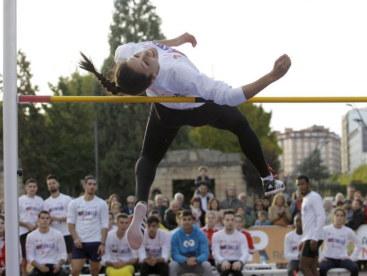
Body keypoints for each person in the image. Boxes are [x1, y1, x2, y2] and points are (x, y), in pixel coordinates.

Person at [79, 33, 290, 249]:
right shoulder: (181, 74)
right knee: (241, 125)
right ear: (152, 79)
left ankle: (141, 201)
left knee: (149, 156)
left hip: (166, 113)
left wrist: (177, 42)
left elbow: (147, 47)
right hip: (200, 110)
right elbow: (231, 96)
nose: (145, 53)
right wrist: (271, 76)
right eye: (145, 61)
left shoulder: (126, 53)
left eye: (138, 55)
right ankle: (268, 179)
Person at [67, 175, 109, 276]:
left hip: (95, 242)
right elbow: (70, 223)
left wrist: (102, 244)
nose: (92, 186)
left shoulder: (102, 204)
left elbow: (105, 225)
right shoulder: (74, 203)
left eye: (94, 184)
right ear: (84, 186)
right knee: (75, 271)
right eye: (89, 184)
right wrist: (75, 238)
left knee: (94, 271)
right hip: (80, 243)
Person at [169, 210, 212, 276]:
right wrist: (185, 260)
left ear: (193, 221)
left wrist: (196, 259)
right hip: (182, 264)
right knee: (172, 265)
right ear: (180, 221)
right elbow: (174, 254)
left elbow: (205, 253)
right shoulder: (175, 236)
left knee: (207, 265)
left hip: (197, 264)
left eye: (189, 219)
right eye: (184, 219)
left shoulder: (201, 234)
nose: (187, 222)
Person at [319, 208, 361, 276]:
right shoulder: (325, 229)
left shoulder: (348, 231)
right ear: (333, 216)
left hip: (343, 259)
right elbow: (317, 243)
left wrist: (352, 258)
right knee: (322, 268)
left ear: (344, 218)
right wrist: (320, 257)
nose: (339, 218)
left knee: (355, 268)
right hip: (328, 259)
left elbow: (359, 244)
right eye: (337, 215)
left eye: (341, 216)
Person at [297, 175, 325, 276]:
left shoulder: (314, 196)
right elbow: (308, 222)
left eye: (302, 184)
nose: (300, 187)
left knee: (303, 267)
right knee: (312, 267)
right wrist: (303, 239)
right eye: (298, 185)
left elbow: (321, 217)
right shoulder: (305, 199)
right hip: (309, 237)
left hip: (313, 237)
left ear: (308, 184)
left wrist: (315, 238)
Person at [26, 211, 68, 276]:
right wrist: (38, 266)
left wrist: (59, 265)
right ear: (38, 220)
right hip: (39, 266)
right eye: (42, 218)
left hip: (54, 265)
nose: (45, 220)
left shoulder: (58, 234)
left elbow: (63, 254)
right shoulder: (31, 236)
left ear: (50, 220)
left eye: (47, 218)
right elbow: (29, 256)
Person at [43, 174, 73, 263]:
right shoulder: (46, 202)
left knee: (70, 257)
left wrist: (56, 219)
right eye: (49, 184)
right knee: (55, 258)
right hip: (53, 234)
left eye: (53, 183)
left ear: (58, 184)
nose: (52, 185)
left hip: (67, 232)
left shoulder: (67, 199)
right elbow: (44, 218)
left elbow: (72, 217)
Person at [212, 210, 249, 276]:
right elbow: (215, 253)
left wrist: (240, 262)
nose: (230, 222)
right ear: (223, 221)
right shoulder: (216, 235)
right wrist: (222, 261)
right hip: (221, 261)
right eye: (227, 220)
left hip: (236, 260)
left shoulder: (241, 236)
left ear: (234, 221)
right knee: (226, 269)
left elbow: (245, 252)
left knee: (237, 271)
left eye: (232, 220)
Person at [19, 179, 44, 276]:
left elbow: (44, 215)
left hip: (38, 231)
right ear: (26, 187)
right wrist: (26, 225)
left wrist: (38, 224)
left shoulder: (40, 200)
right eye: (30, 186)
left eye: (34, 187)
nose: (32, 188)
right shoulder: (20, 200)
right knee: (25, 258)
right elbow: (14, 218)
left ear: (37, 188)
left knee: (38, 257)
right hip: (24, 232)